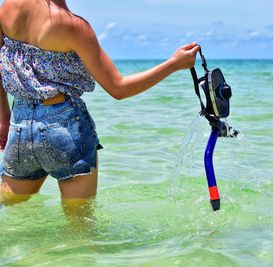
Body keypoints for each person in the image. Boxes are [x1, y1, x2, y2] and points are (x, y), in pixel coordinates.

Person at [0, 0, 200, 207]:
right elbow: (119, 88)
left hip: (19, 126)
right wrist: (174, 64)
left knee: (13, 215)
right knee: (80, 226)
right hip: (64, 126)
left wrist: (3, 118)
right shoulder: (74, 26)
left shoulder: (7, 8)